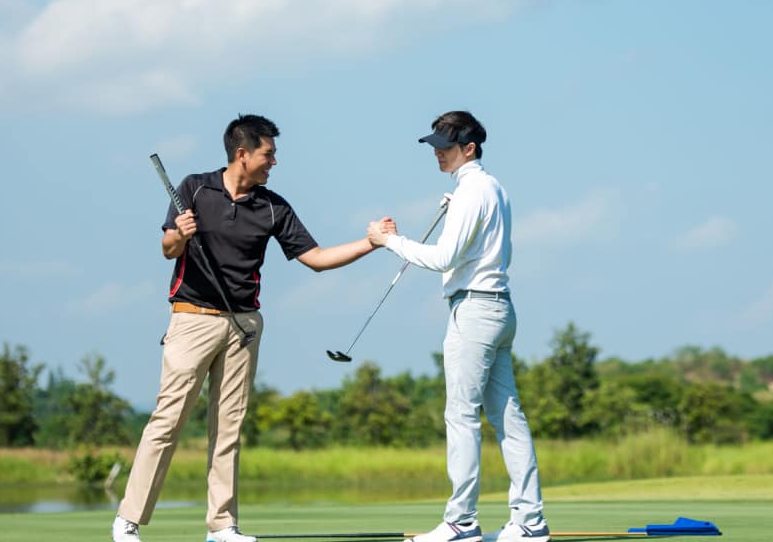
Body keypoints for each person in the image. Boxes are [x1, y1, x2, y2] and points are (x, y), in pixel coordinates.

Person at [113, 113, 394, 542]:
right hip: (192, 318)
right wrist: (181, 235)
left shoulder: (272, 206)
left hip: (244, 325)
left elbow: (315, 259)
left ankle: (223, 526)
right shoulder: (194, 188)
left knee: (229, 428)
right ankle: (128, 520)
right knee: (167, 421)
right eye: (269, 153)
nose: (274, 161)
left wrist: (372, 244)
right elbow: (168, 248)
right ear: (242, 154)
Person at [367, 111, 549, 542]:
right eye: (434, 146)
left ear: (469, 148)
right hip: (499, 310)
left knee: (461, 416)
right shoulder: (491, 188)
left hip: (475, 313)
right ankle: (530, 521)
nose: (437, 153)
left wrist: (388, 241)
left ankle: (461, 521)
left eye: (445, 147)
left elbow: (443, 259)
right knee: (509, 417)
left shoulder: (473, 191)